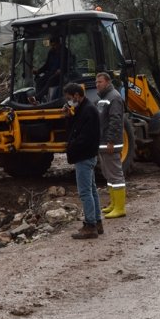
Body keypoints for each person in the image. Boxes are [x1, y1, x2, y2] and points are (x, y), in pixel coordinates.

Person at [63, 82, 102, 239]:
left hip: (84, 156)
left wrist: (70, 148)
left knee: (85, 192)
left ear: (77, 96)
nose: (68, 101)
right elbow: (75, 128)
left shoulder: (88, 111)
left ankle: (90, 226)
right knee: (92, 190)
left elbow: (84, 137)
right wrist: (68, 116)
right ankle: (97, 222)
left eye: (69, 98)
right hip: (87, 155)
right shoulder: (83, 109)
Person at [96, 72, 127, 219]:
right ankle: (113, 204)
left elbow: (115, 120)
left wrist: (111, 141)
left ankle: (120, 208)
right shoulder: (104, 98)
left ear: (107, 82)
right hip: (102, 142)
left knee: (115, 175)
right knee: (108, 175)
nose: (97, 85)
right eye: (96, 82)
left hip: (110, 143)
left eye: (100, 82)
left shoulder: (114, 97)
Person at [33, 36, 64, 101]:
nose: (53, 47)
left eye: (54, 45)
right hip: (51, 73)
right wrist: (38, 71)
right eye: (51, 45)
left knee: (50, 80)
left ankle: (37, 98)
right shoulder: (51, 52)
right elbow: (46, 65)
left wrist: (61, 69)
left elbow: (68, 64)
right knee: (39, 81)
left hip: (61, 75)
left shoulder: (65, 52)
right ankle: (38, 101)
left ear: (59, 43)